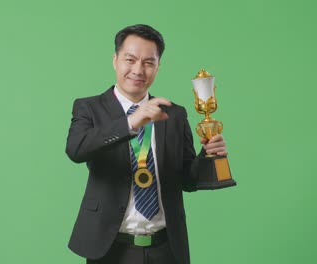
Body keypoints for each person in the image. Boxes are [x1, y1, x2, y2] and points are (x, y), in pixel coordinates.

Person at [65, 24, 228, 264]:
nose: (138, 70)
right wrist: (131, 122)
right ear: (115, 60)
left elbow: (187, 180)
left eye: (148, 63)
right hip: (110, 249)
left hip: (166, 248)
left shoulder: (174, 115)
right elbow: (76, 149)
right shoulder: (89, 108)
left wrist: (208, 155)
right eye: (130, 59)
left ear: (158, 67)